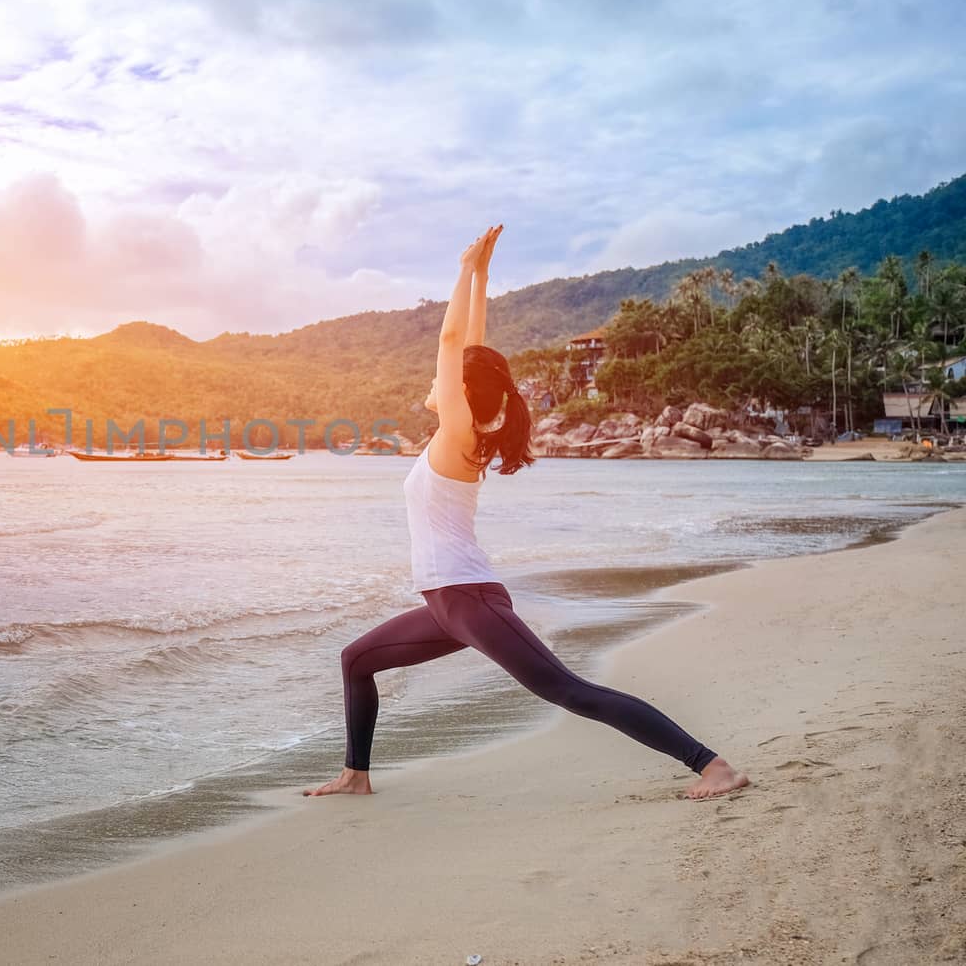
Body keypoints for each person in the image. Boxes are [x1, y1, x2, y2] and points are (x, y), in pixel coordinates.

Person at [304, 225, 748, 802]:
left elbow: (451, 344)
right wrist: (484, 275)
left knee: (569, 690)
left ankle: (712, 765)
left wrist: (463, 270)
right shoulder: (469, 431)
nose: (433, 384)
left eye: (447, 382)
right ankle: (355, 775)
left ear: (461, 394)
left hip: (469, 601)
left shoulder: (457, 435)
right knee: (357, 660)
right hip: (446, 603)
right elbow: (470, 353)